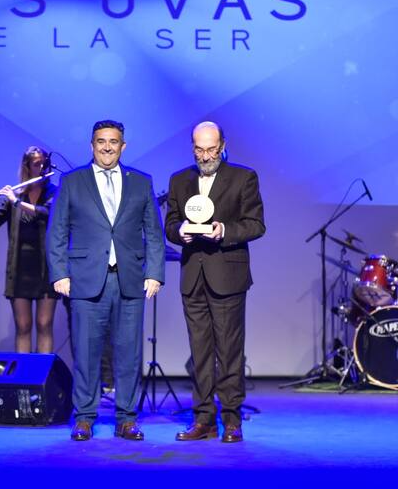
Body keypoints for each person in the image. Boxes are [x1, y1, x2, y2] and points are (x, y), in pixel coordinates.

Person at [47, 120, 165, 441]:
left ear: (123, 146)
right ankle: (84, 417)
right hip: (85, 279)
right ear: (92, 145)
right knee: (86, 352)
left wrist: (155, 272)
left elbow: (154, 233)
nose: (107, 147)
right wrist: (60, 273)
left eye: (113, 142)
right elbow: (57, 231)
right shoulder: (72, 181)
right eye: (101, 141)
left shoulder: (141, 181)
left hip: (130, 279)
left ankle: (127, 419)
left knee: (129, 354)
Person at [165, 121, 265, 443]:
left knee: (229, 351)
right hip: (193, 276)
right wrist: (180, 231)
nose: (206, 156)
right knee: (200, 353)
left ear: (222, 145)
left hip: (227, 276)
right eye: (199, 150)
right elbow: (170, 224)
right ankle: (203, 420)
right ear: (192, 147)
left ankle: (232, 420)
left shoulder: (243, 177)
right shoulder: (179, 179)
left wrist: (224, 231)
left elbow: (255, 225)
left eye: (211, 149)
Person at [0, 146, 59, 353]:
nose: (42, 168)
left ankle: (42, 372)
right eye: (37, 164)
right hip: (20, 269)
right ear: (27, 167)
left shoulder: (54, 192)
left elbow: (46, 213)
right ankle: (24, 372)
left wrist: (15, 202)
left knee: (44, 324)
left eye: (44, 164)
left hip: (46, 268)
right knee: (23, 327)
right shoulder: (16, 194)